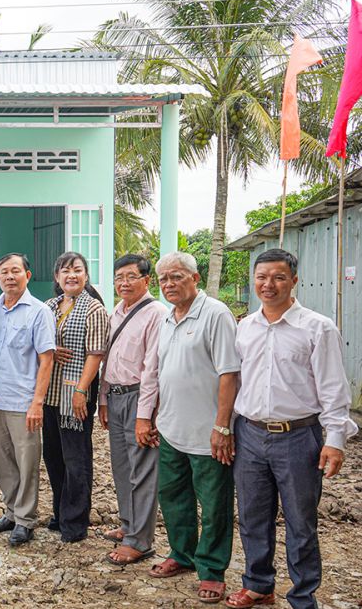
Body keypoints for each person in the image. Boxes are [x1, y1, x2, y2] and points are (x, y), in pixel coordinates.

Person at [225, 249, 358, 609]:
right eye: (262, 277)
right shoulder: (244, 327)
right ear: (254, 280)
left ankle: (302, 595)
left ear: (294, 281)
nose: (269, 285)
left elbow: (333, 388)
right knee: (252, 516)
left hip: (299, 436)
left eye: (278, 277)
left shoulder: (317, 327)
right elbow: (236, 382)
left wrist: (335, 441)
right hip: (250, 434)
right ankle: (258, 584)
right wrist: (225, 428)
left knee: (301, 522)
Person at [149, 251, 240, 605]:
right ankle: (181, 554)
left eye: (177, 277)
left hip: (208, 431)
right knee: (173, 497)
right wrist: (155, 414)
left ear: (195, 278)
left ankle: (212, 570)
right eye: (164, 280)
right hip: (171, 427)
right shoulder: (167, 318)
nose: (169, 284)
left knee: (214, 503)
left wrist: (223, 425)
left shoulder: (215, 314)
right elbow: (162, 371)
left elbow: (229, 373)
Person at [98, 254, 167, 566]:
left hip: (140, 396)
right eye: (119, 277)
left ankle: (140, 541)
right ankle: (128, 525)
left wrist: (145, 416)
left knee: (142, 470)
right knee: (122, 467)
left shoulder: (156, 313)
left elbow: (152, 368)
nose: (123, 283)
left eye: (130, 276)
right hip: (115, 395)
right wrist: (102, 399)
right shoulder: (116, 311)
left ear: (146, 280)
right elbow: (108, 360)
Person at [0, 253, 55, 546]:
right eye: (4, 272)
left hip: (23, 401)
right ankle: (11, 512)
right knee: (2, 462)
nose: (9, 276)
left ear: (27, 274)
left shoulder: (38, 312)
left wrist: (37, 402)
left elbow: (47, 358)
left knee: (27, 463)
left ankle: (25, 521)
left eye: (15, 271)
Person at [42, 251, 109, 543]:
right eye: (65, 270)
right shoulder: (50, 306)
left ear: (85, 275)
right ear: (57, 277)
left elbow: (95, 355)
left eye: (77, 270)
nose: (71, 275)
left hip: (75, 393)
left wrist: (82, 391)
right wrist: (51, 351)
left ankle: (75, 521)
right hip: (50, 394)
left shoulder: (93, 308)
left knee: (76, 459)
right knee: (53, 457)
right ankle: (59, 512)